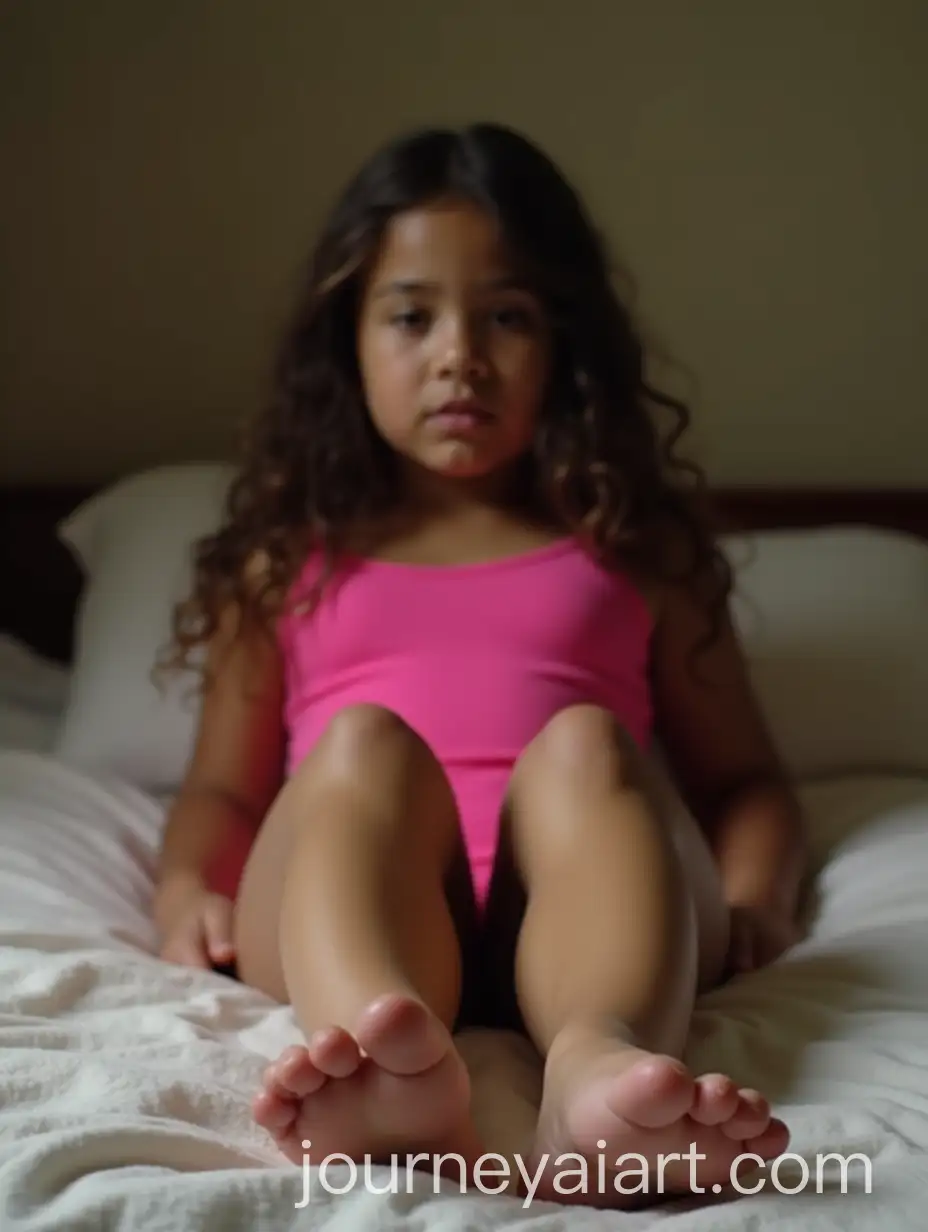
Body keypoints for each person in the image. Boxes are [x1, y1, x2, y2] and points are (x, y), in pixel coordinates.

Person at [153, 122, 805, 1208]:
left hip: (592, 912)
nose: (459, 352)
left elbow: (745, 783)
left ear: (564, 345)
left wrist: (756, 894)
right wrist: (187, 885)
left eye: (506, 316)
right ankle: (380, 1044)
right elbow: (222, 787)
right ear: (346, 341)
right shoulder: (284, 563)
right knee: (359, 740)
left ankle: (594, 1064)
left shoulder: (634, 548)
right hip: (360, 905)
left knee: (590, 741)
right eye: (411, 315)